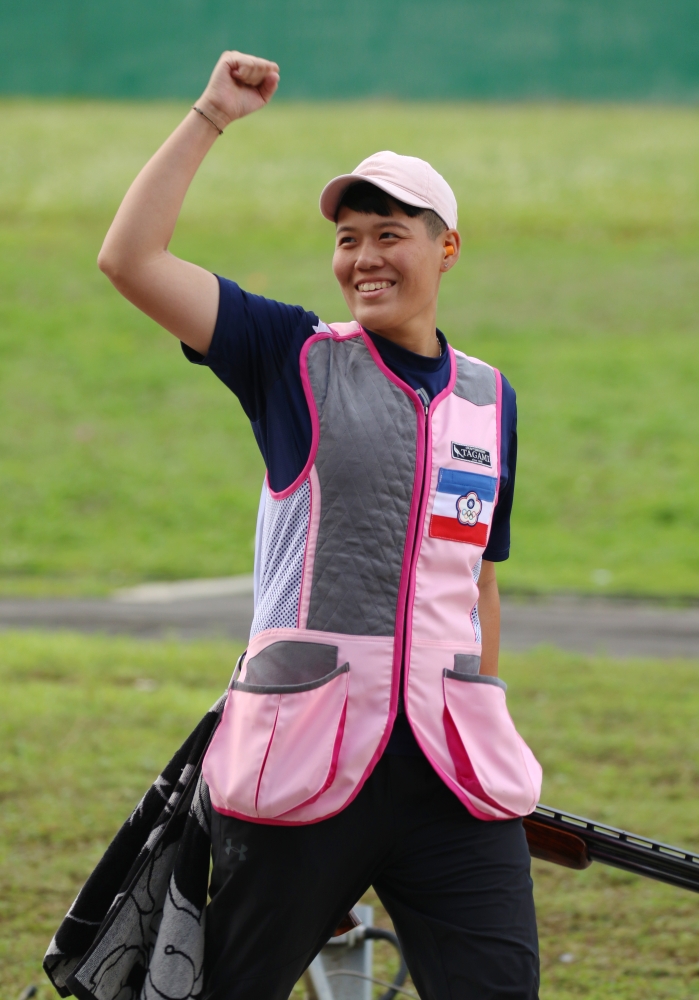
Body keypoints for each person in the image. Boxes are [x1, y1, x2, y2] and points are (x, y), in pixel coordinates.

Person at [98, 50, 541, 1000]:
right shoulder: (289, 356)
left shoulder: (489, 399)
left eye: (389, 233)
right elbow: (129, 260)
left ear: (447, 246)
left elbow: (478, 580)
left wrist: (481, 708)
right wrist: (210, 116)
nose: (364, 258)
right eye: (347, 238)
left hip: (452, 780)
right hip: (302, 769)